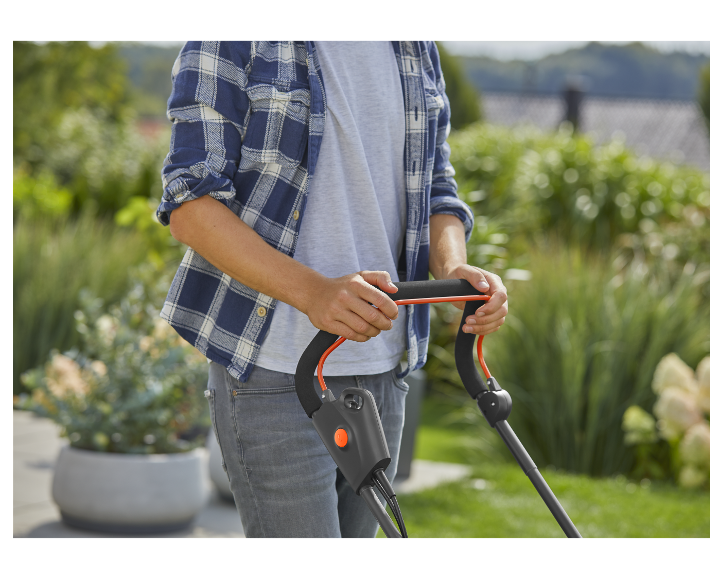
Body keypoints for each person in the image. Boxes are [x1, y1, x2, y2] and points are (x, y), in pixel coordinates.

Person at [157, 40, 508, 539]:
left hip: (382, 369)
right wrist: (314, 292)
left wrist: (455, 270)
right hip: (275, 370)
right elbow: (191, 205)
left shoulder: (414, 48)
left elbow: (435, 188)